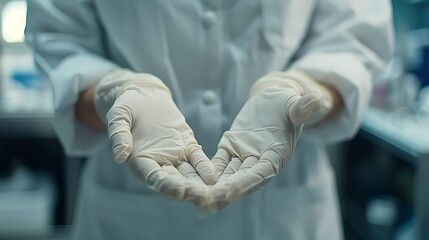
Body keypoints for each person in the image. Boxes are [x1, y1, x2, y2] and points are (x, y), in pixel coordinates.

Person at [25, 0, 393, 239]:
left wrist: (301, 88)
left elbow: (352, 43)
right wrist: (114, 93)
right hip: (128, 214)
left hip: (287, 213)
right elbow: (62, 40)